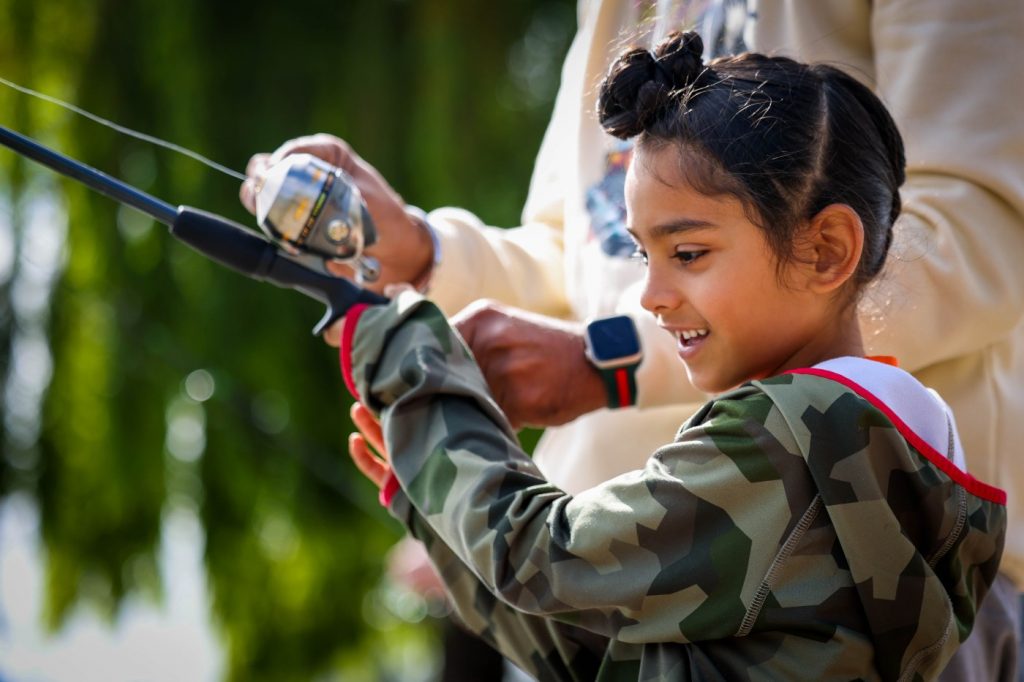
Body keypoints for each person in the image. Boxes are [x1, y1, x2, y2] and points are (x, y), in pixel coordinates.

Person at [242, 2, 1024, 678]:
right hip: (605, 582)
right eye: (645, 255)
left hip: (586, 551)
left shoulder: (786, 440)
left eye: (685, 255)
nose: (644, 296)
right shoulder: (893, 430)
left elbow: (544, 558)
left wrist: (407, 352)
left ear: (829, 248)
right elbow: (599, 659)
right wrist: (420, 256)